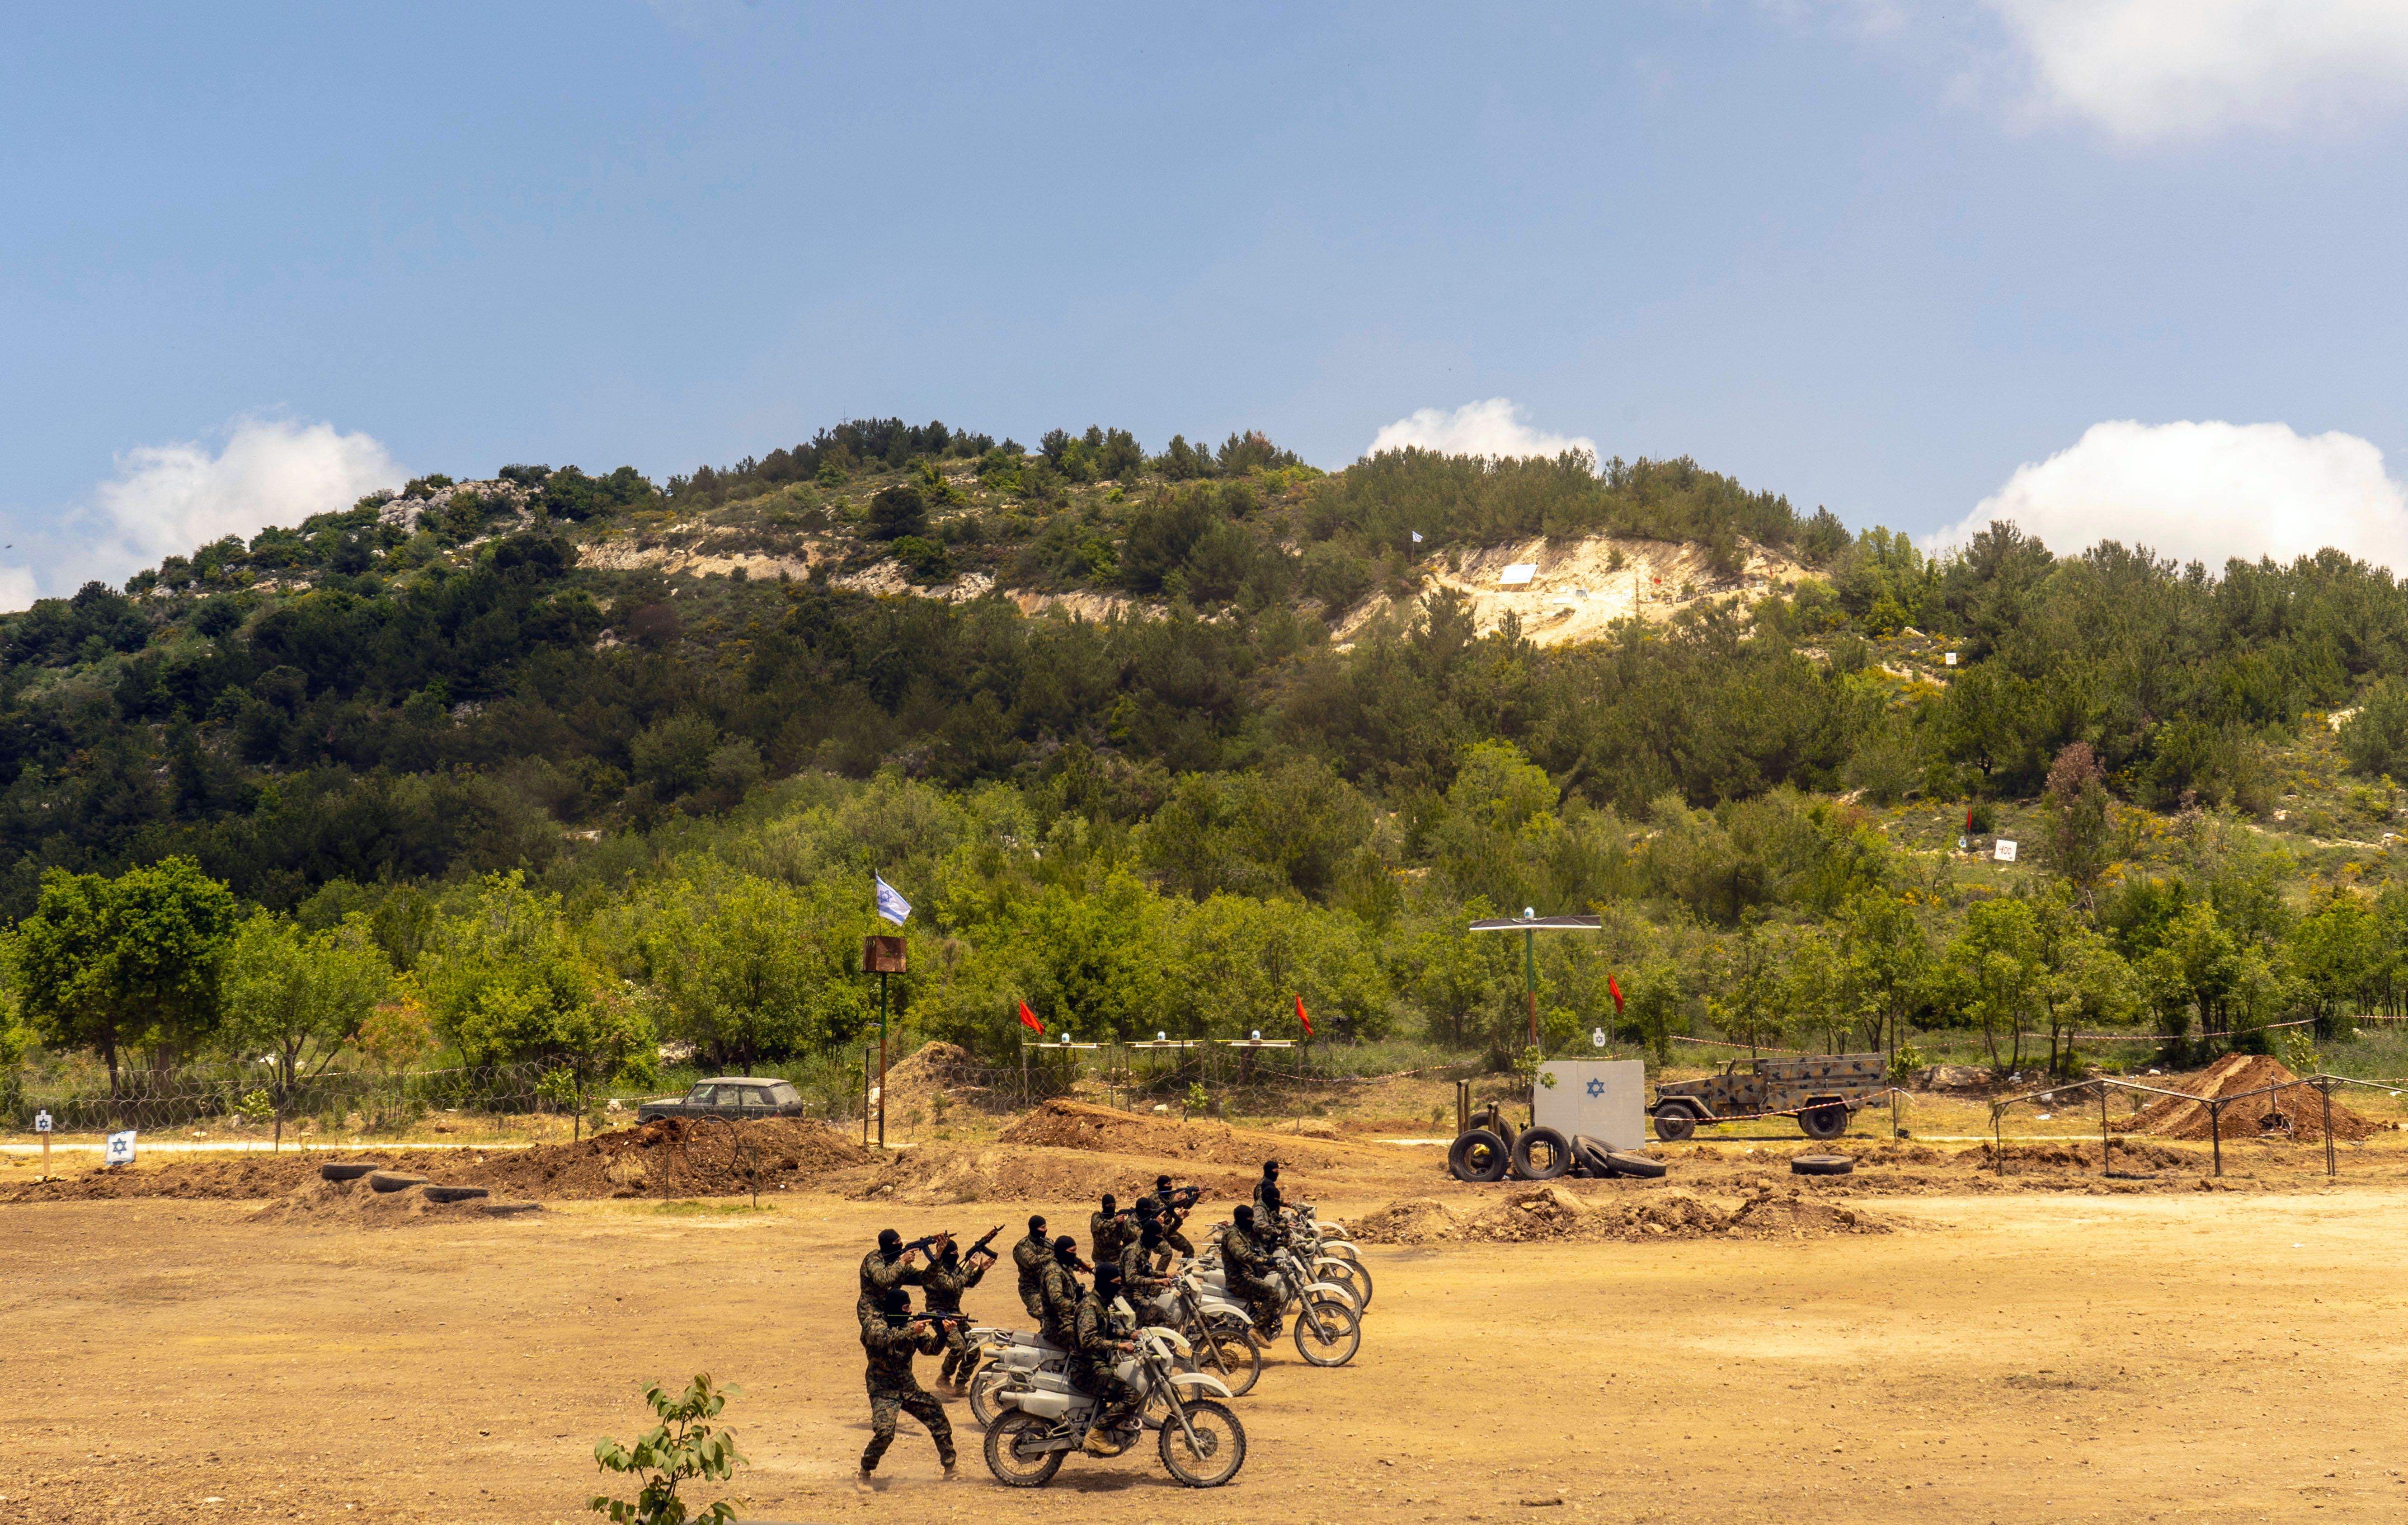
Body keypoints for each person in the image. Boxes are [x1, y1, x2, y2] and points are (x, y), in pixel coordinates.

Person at [860, 1288, 955, 1479]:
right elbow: (881, 1338)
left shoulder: (910, 1325)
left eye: (910, 1307)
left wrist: (943, 1335)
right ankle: (865, 1472)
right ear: (895, 1308)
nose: (910, 1311)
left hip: (907, 1386)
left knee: (936, 1413)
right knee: (885, 1433)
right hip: (883, 1388)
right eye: (906, 1308)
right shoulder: (874, 1323)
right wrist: (912, 1331)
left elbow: (931, 1349)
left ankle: (951, 1468)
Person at [1070, 1262, 1141, 1456]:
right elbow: (1088, 1340)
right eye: (1116, 1282)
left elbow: (1107, 1330)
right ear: (1104, 1283)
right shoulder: (1089, 1307)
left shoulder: (1100, 1302)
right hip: (1087, 1370)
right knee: (1132, 1396)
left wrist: (1129, 1334)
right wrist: (1119, 1345)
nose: (1119, 1286)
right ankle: (1096, 1436)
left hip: (1097, 1364)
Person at [923, 1234, 995, 1388]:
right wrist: (969, 1268)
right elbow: (954, 1285)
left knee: (974, 1348)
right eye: (953, 1253)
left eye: (957, 1253)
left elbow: (968, 1282)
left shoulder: (954, 1269)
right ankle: (944, 1378)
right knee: (959, 1347)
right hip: (939, 1315)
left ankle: (960, 1385)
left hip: (955, 1313)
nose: (956, 1256)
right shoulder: (935, 1272)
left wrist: (980, 1270)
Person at [1222, 1204, 1283, 1340]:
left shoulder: (1243, 1232)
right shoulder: (1232, 1234)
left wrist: (1270, 1260)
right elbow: (1241, 1255)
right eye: (1251, 1218)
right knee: (1273, 1294)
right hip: (1239, 1280)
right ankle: (1257, 1330)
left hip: (1247, 1275)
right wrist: (1263, 1261)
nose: (1253, 1221)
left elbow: (1256, 1248)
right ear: (1242, 1219)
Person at [858, 1228, 930, 1329]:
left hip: (892, 1311)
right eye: (897, 1242)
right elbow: (883, 1279)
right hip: (871, 1312)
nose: (900, 1244)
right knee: (886, 1338)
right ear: (888, 1244)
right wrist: (903, 1262)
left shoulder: (896, 1261)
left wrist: (937, 1260)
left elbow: (924, 1279)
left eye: (900, 1240)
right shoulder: (873, 1259)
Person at [1038, 1234, 1085, 1351]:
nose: (1075, 1255)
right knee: (1086, 1340)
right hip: (1057, 1327)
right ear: (1063, 1252)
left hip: (1069, 1319)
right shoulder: (1054, 1272)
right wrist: (1079, 1308)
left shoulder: (1065, 1267)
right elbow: (1057, 1300)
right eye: (1072, 1251)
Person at [1118, 1221, 1174, 1301]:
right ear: (1151, 1236)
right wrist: (1156, 1281)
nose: (1161, 1238)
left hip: (1141, 1290)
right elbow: (1131, 1280)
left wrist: (1166, 1275)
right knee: (1159, 1312)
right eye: (1159, 1236)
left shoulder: (1145, 1248)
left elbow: (1147, 1270)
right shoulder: (1133, 1252)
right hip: (1129, 1294)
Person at [1012, 1215, 1051, 1321]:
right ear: (1035, 1229)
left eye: (1046, 1227)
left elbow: (1061, 1259)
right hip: (1031, 1290)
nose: (1045, 1230)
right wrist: (1055, 1256)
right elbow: (1033, 1262)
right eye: (1042, 1228)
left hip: (1049, 1288)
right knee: (1047, 1316)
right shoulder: (1023, 1247)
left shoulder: (1048, 1243)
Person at [1150, 1174, 1196, 1257]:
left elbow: (1187, 1206)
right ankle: (1159, 1271)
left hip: (1169, 1229)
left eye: (1171, 1183)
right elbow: (1164, 1214)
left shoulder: (1169, 1195)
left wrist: (1197, 1195)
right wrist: (1174, 1201)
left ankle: (1185, 1270)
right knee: (1167, 1254)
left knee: (1189, 1249)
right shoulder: (1154, 1198)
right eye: (1168, 1184)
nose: (1171, 1186)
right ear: (1162, 1186)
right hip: (1156, 1232)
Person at [1090, 1192, 1133, 1267]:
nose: (1112, 1207)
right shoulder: (1097, 1217)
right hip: (1100, 1259)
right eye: (1110, 1206)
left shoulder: (1118, 1222)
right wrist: (1115, 1220)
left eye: (1114, 1205)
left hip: (1116, 1258)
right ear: (1104, 1206)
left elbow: (1127, 1237)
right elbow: (1100, 1225)